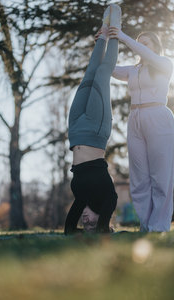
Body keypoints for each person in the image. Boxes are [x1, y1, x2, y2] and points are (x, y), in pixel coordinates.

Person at [106, 26, 174, 232]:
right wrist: (102, 42)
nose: (141, 47)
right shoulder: (133, 70)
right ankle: (146, 225)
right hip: (135, 119)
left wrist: (122, 36)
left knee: (160, 177)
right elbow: (109, 67)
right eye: (140, 42)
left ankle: (159, 226)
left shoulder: (164, 64)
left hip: (158, 117)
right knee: (139, 178)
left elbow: (143, 52)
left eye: (146, 43)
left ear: (156, 46)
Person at [64, 4, 121, 234]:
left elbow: (69, 231)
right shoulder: (106, 196)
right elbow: (110, 207)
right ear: (102, 218)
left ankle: (102, 35)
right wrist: (103, 227)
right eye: (91, 222)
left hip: (76, 128)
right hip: (96, 130)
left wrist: (80, 230)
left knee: (90, 73)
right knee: (102, 73)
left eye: (84, 223)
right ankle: (115, 30)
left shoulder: (80, 196)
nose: (85, 221)